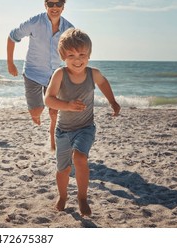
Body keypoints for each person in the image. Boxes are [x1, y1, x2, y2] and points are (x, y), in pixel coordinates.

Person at [44, 28, 121, 216]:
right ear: (63, 56)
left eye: (82, 55)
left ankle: (82, 197)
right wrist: (67, 105)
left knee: (80, 158)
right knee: (63, 169)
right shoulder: (59, 74)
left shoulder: (92, 73)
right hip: (63, 130)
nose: (77, 60)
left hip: (85, 128)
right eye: (71, 55)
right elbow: (48, 99)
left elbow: (103, 83)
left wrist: (112, 102)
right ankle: (62, 196)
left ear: (89, 55)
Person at [7, 0, 74, 150]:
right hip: (32, 74)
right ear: (46, 5)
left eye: (58, 3)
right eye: (51, 3)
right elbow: (12, 36)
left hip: (55, 75)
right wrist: (10, 63)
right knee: (37, 111)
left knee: (54, 113)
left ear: (63, 6)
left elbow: (75, 51)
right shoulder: (34, 22)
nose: (54, 7)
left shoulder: (69, 29)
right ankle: (36, 112)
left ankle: (53, 144)